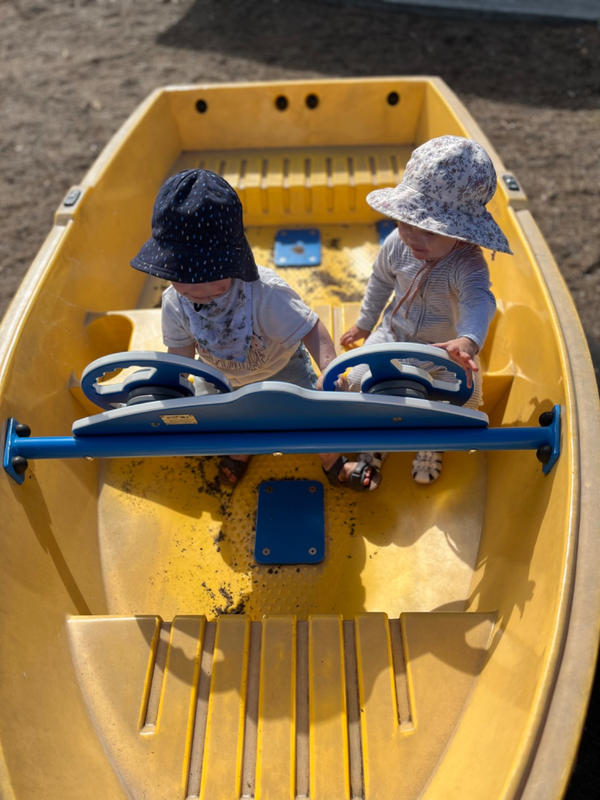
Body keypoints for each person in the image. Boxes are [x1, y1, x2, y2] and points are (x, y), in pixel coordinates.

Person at [131, 168, 381, 490]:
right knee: (225, 418)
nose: (197, 290)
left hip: (281, 369)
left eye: (210, 279)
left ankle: (332, 461)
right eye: (183, 278)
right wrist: (169, 389)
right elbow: (180, 352)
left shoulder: (265, 294)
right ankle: (242, 449)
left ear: (231, 263)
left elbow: (310, 327)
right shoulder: (175, 301)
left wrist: (329, 368)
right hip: (220, 376)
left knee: (313, 416)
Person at [340, 135, 512, 484]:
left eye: (429, 231)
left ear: (461, 233)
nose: (414, 238)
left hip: (445, 348)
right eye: (405, 222)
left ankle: (433, 438)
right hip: (394, 333)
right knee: (354, 377)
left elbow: (478, 300)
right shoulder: (396, 245)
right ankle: (379, 432)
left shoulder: (468, 264)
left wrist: (467, 340)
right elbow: (379, 283)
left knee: (470, 394)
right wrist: (364, 324)